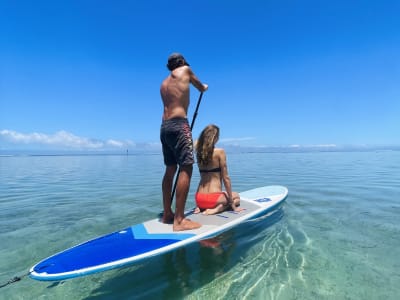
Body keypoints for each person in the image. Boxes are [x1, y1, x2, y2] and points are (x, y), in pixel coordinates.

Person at [160, 53, 208, 231]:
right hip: (180, 125)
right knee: (186, 167)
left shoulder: (163, 84)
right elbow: (200, 87)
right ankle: (179, 220)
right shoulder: (186, 70)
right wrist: (205, 87)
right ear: (182, 62)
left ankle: (167, 214)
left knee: (170, 169)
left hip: (164, 127)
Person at [194, 124, 243, 215]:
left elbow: (202, 177)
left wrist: (198, 204)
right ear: (214, 137)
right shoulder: (220, 152)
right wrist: (232, 205)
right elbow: (226, 178)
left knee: (224, 194)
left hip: (199, 198)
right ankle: (218, 209)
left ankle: (201, 207)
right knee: (237, 197)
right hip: (213, 199)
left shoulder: (199, 153)